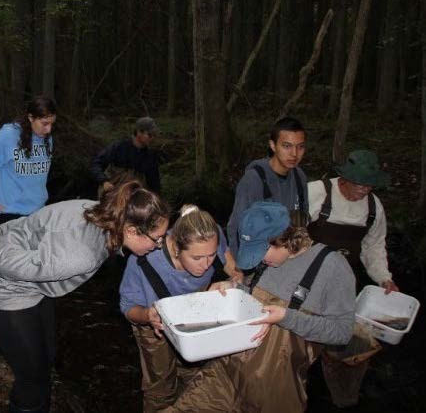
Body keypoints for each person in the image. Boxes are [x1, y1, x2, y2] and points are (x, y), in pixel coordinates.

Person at [0, 181, 170, 413]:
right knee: (32, 379)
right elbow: (9, 264)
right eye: (157, 238)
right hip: (3, 292)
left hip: (34, 289)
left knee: (45, 362)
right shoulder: (81, 254)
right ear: (131, 230)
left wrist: (1, 231)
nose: (159, 245)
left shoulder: (102, 212)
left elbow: (32, 226)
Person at [161, 202, 355, 413]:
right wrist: (234, 288)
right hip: (227, 373)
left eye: (261, 251)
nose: (258, 260)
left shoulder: (333, 267)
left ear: (285, 239)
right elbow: (252, 296)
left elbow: (342, 332)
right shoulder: (267, 262)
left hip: (274, 391)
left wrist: (286, 317)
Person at [119, 204, 237, 412]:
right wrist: (147, 315)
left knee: (194, 375)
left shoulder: (212, 234)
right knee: (160, 384)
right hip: (153, 322)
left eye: (210, 256)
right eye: (197, 258)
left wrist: (233, 282)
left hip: (194, 315)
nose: (206, 264)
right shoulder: (143, 261)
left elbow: (232, 267)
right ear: (175, 247)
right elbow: (128, 307)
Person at [307, 149, 398, 293]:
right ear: (344, 179)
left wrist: (384, 278)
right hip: (305, 270)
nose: (365, 190)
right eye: (360, 184)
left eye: (369, 185)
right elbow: (291, 231)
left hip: (342, 278)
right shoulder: (316, 192)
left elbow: (374, 246)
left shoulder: (374, 207)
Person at [226, 117, 308, 259]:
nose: (294, 154)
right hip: (259, 258)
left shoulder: (299, 177)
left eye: (300, 147)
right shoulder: (253, 180)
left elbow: (303, 219)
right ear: (273, 145)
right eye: (287, 146)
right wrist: (240, 267)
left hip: (290, 255)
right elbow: (236, 228)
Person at [0, 96, 57, 221]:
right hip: (10, 214)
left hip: (39, 213)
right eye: (45, 123)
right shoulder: (8, 135)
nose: (49, 129)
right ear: (31, 117)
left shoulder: (47, 138)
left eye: (51, 124)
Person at [90, 116, 161, 195]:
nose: (152, 138)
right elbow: (96, 164)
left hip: (135, 195)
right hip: (113, 192)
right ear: (139, 132)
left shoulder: (150, 156)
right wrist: (104, 181)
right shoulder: (118, 147)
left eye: (154, 135)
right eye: (150, 135)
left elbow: (154, 183)